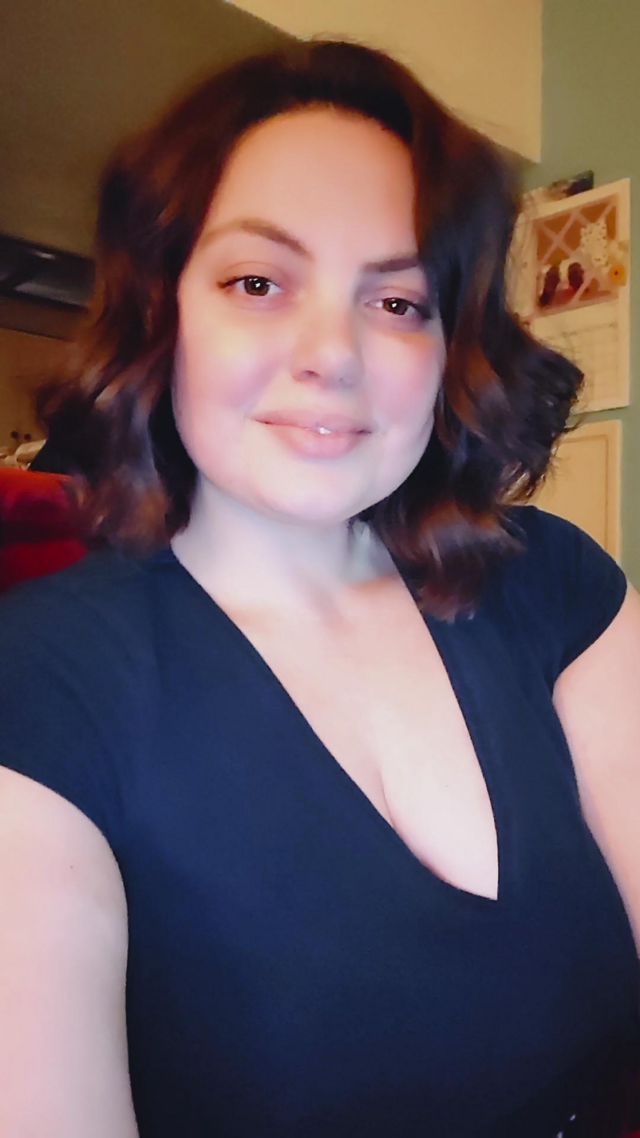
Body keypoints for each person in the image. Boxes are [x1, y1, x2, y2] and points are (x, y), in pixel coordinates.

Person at [0, 38, 638, 1138]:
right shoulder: (41, 685)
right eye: (257, 282)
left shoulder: (554, 583)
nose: (331, 353)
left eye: (397, 302)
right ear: (162, 313)